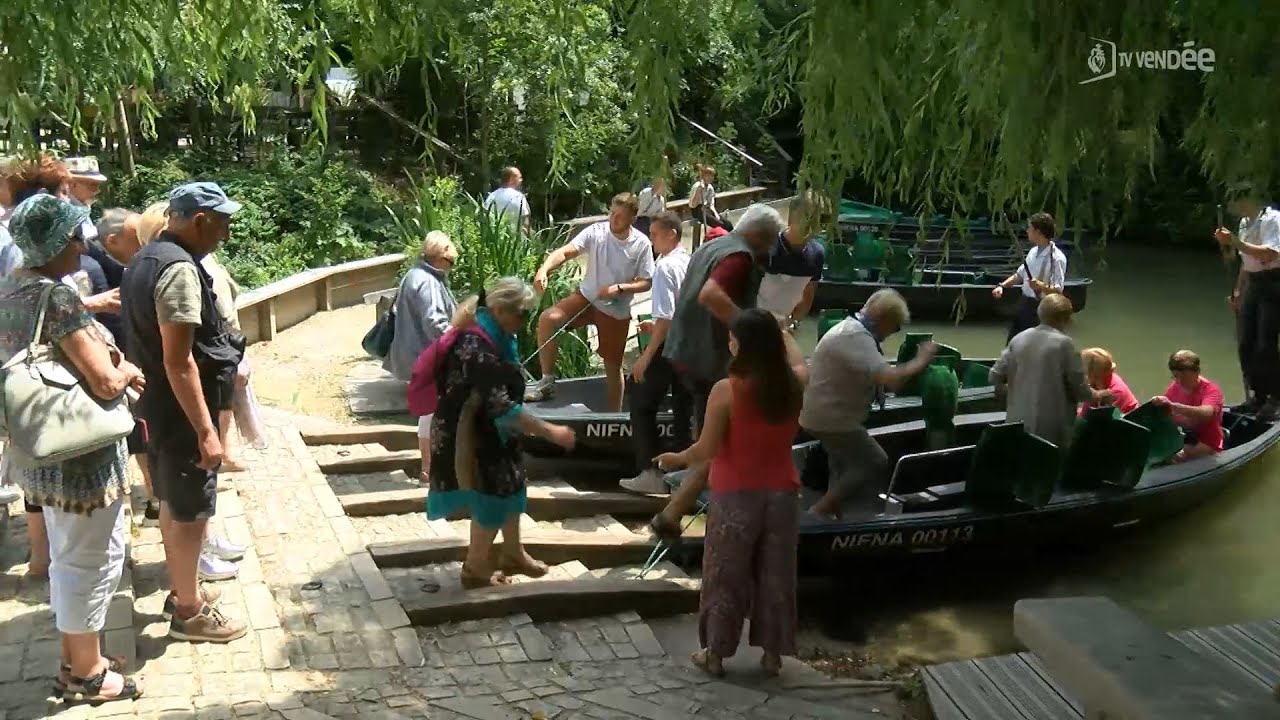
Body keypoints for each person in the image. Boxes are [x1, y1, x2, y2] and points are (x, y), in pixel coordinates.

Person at [2, 194, 146, 702]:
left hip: (42, 454)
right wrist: (127, 369)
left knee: (67, 556)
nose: (83, 243)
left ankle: (76, 659)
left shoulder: (12, 290)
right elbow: (106, 382)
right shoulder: (57, 299)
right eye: (74, 235)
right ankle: (88, 675)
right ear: (59, 243)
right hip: (81, 456)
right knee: (93, 557)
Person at [122, 182, 247, 642]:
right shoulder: (178, 271)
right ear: (199, 220)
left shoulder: (145, 258)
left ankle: (183, 589)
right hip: (179, 413)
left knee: (173, 502)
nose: (226, 234)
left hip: (157, 405)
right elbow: (179, 360)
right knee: (190, 509)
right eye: (222, 223)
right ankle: (190, 613)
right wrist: (207, 432)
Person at [655, 308, 808, 678]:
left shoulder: (727, 390)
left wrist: (675, 458)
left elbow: (705, 450)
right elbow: (799, 359)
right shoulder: (795, 383)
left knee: (725, 575)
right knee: (776, 576)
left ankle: (716, 654)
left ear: (744, 345)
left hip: (737, 495)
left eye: (733, 337)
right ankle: (773, 656)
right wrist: (783, 330)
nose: (729, 342)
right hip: (783, 494)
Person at [644, 204, 785, 536]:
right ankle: (677, 510)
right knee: (720, 438)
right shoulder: (740, 257)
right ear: (763, 236)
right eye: (772, 240)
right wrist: (751, 330)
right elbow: (710, 295)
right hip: (707, 356)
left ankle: (678, 504)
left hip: (684, 349)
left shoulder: (712, 244)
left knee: (707, 432)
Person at [426, 277, 577, 587]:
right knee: (491, 496)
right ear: (498, 309)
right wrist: (551, 431)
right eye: (520, 314)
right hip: (470, 435)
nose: (524, 321)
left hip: (490, 430)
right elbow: (502, 408)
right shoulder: (477, 346)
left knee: (511, 484)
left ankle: (512, 552)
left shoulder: (496, 334)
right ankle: (475, 569)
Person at [802, 289, 937, 519]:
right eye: (895, 327)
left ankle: (832, 512)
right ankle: (819, 511)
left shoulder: (852, 330)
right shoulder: (855, 337)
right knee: (875, 460)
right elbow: (891, 379)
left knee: (841, 464)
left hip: (820, 412)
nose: (891, 334)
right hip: (832, 418)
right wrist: (921, 360)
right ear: (883, 319)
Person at [527, 193, 654, 411]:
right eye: (612, 213)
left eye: (620, 216)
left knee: (612, 368)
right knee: (548, 319)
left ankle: (614, 416)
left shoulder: (641, 244)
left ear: (632, 218)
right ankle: (547, 381)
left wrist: (620, 288)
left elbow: (646, 282)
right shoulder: (597, 231)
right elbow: (566, 252)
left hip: (616, 310)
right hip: (586, 298)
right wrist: (544, 269)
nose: (613, 219)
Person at [620, 211, 691, 494]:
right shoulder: (690, 261)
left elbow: (667, 318)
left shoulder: (664, 267)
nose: (651, 240)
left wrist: (645, 358)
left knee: (640, 401)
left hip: (668, 347)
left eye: (655, 234)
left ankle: (649, 471)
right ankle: (683, 475)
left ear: (671, 234)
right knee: (684, 411)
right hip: (688, 346)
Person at [385, 231, 460, 482]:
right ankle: (432, 471)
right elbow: (434, 322)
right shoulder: (427, 281)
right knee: (434, 415)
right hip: (428, 358)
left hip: (418, 356)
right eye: (451, 252)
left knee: (429, 414)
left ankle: (432, 470)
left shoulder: (415, 274)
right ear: (442, 256)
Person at [990, 294, 1110, 449]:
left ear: (1039, 313)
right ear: (1066, 319)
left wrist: (1014, 394)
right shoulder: (1066, 345)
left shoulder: (1018, 339)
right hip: (1051, 432)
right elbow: (1081, 391)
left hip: (1017, 424)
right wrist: (1100, 395)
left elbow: (994, 376)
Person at [1215, 186, 1280, 418]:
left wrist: (1235, 242)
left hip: (1274, 282)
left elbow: (1269, 254)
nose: (1231, 207)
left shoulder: (1273, 219)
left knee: (1266, 342)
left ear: (1247, 199)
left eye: (1234, 201)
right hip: (1253, 281)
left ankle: (1275, 397)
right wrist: (1238, 291)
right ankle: (1257, 395)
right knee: (1246, 342)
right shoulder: (1245, 223)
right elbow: (1247, 261)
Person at [991, 212, 1067, 344]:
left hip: (1042, 308)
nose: (1027, 231)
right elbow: (1019, 275)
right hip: (1025, 303)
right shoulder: (1033, 252)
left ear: (1038, 231)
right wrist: (1002, 286)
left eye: (1030, 228)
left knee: (1033, 346)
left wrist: (1040, 286)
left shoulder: (1056, 258)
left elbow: (1058, 291)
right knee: (1013, 342)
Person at [756, 193, 825, 328]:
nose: (812, 224)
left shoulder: (817, 253)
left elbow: (808, 295)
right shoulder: (767, 247)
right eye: (807, 217)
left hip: (785, 326)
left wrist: (793, 323)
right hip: (755, 322)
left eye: (818, 219)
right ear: (791, 218)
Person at [1153, 350, 1225, 463]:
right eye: (1176, 376)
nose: (1179, 381)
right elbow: (1165, 414)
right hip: (1184, 437)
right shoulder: (1175, 387)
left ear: (1197, 372)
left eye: (1184, 377)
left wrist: (1174, 406)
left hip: (1207, 443)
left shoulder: (1211, 390)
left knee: (1172, 456)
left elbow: (1206, 413)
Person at [1078, 347, 1139, 416]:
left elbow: (1095, 419)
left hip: (1125, 420)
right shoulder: (1101, 382)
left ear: (1093, 376)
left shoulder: (1115, 392)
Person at [689, 165, 733, 242]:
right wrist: (699, 192)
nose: (710, 178)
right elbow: (692, 204)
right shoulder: (697, 186)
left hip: (707, 209)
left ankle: (728, 242)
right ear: (703, 176)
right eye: (708, 175)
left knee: (728, 224)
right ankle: (708, 241)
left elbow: (711, 204)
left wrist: (716, 214)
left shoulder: (710, 188)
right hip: (697, 210)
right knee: (719, 225)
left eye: (712, 176)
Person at [483, 166, 531, 235]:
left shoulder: (492, 196)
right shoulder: (518, 197)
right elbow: (525, 222)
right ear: (511, 179)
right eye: (519, 177)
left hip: (494, 239)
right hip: (515, 241)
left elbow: (485, 219)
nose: (521, 180)